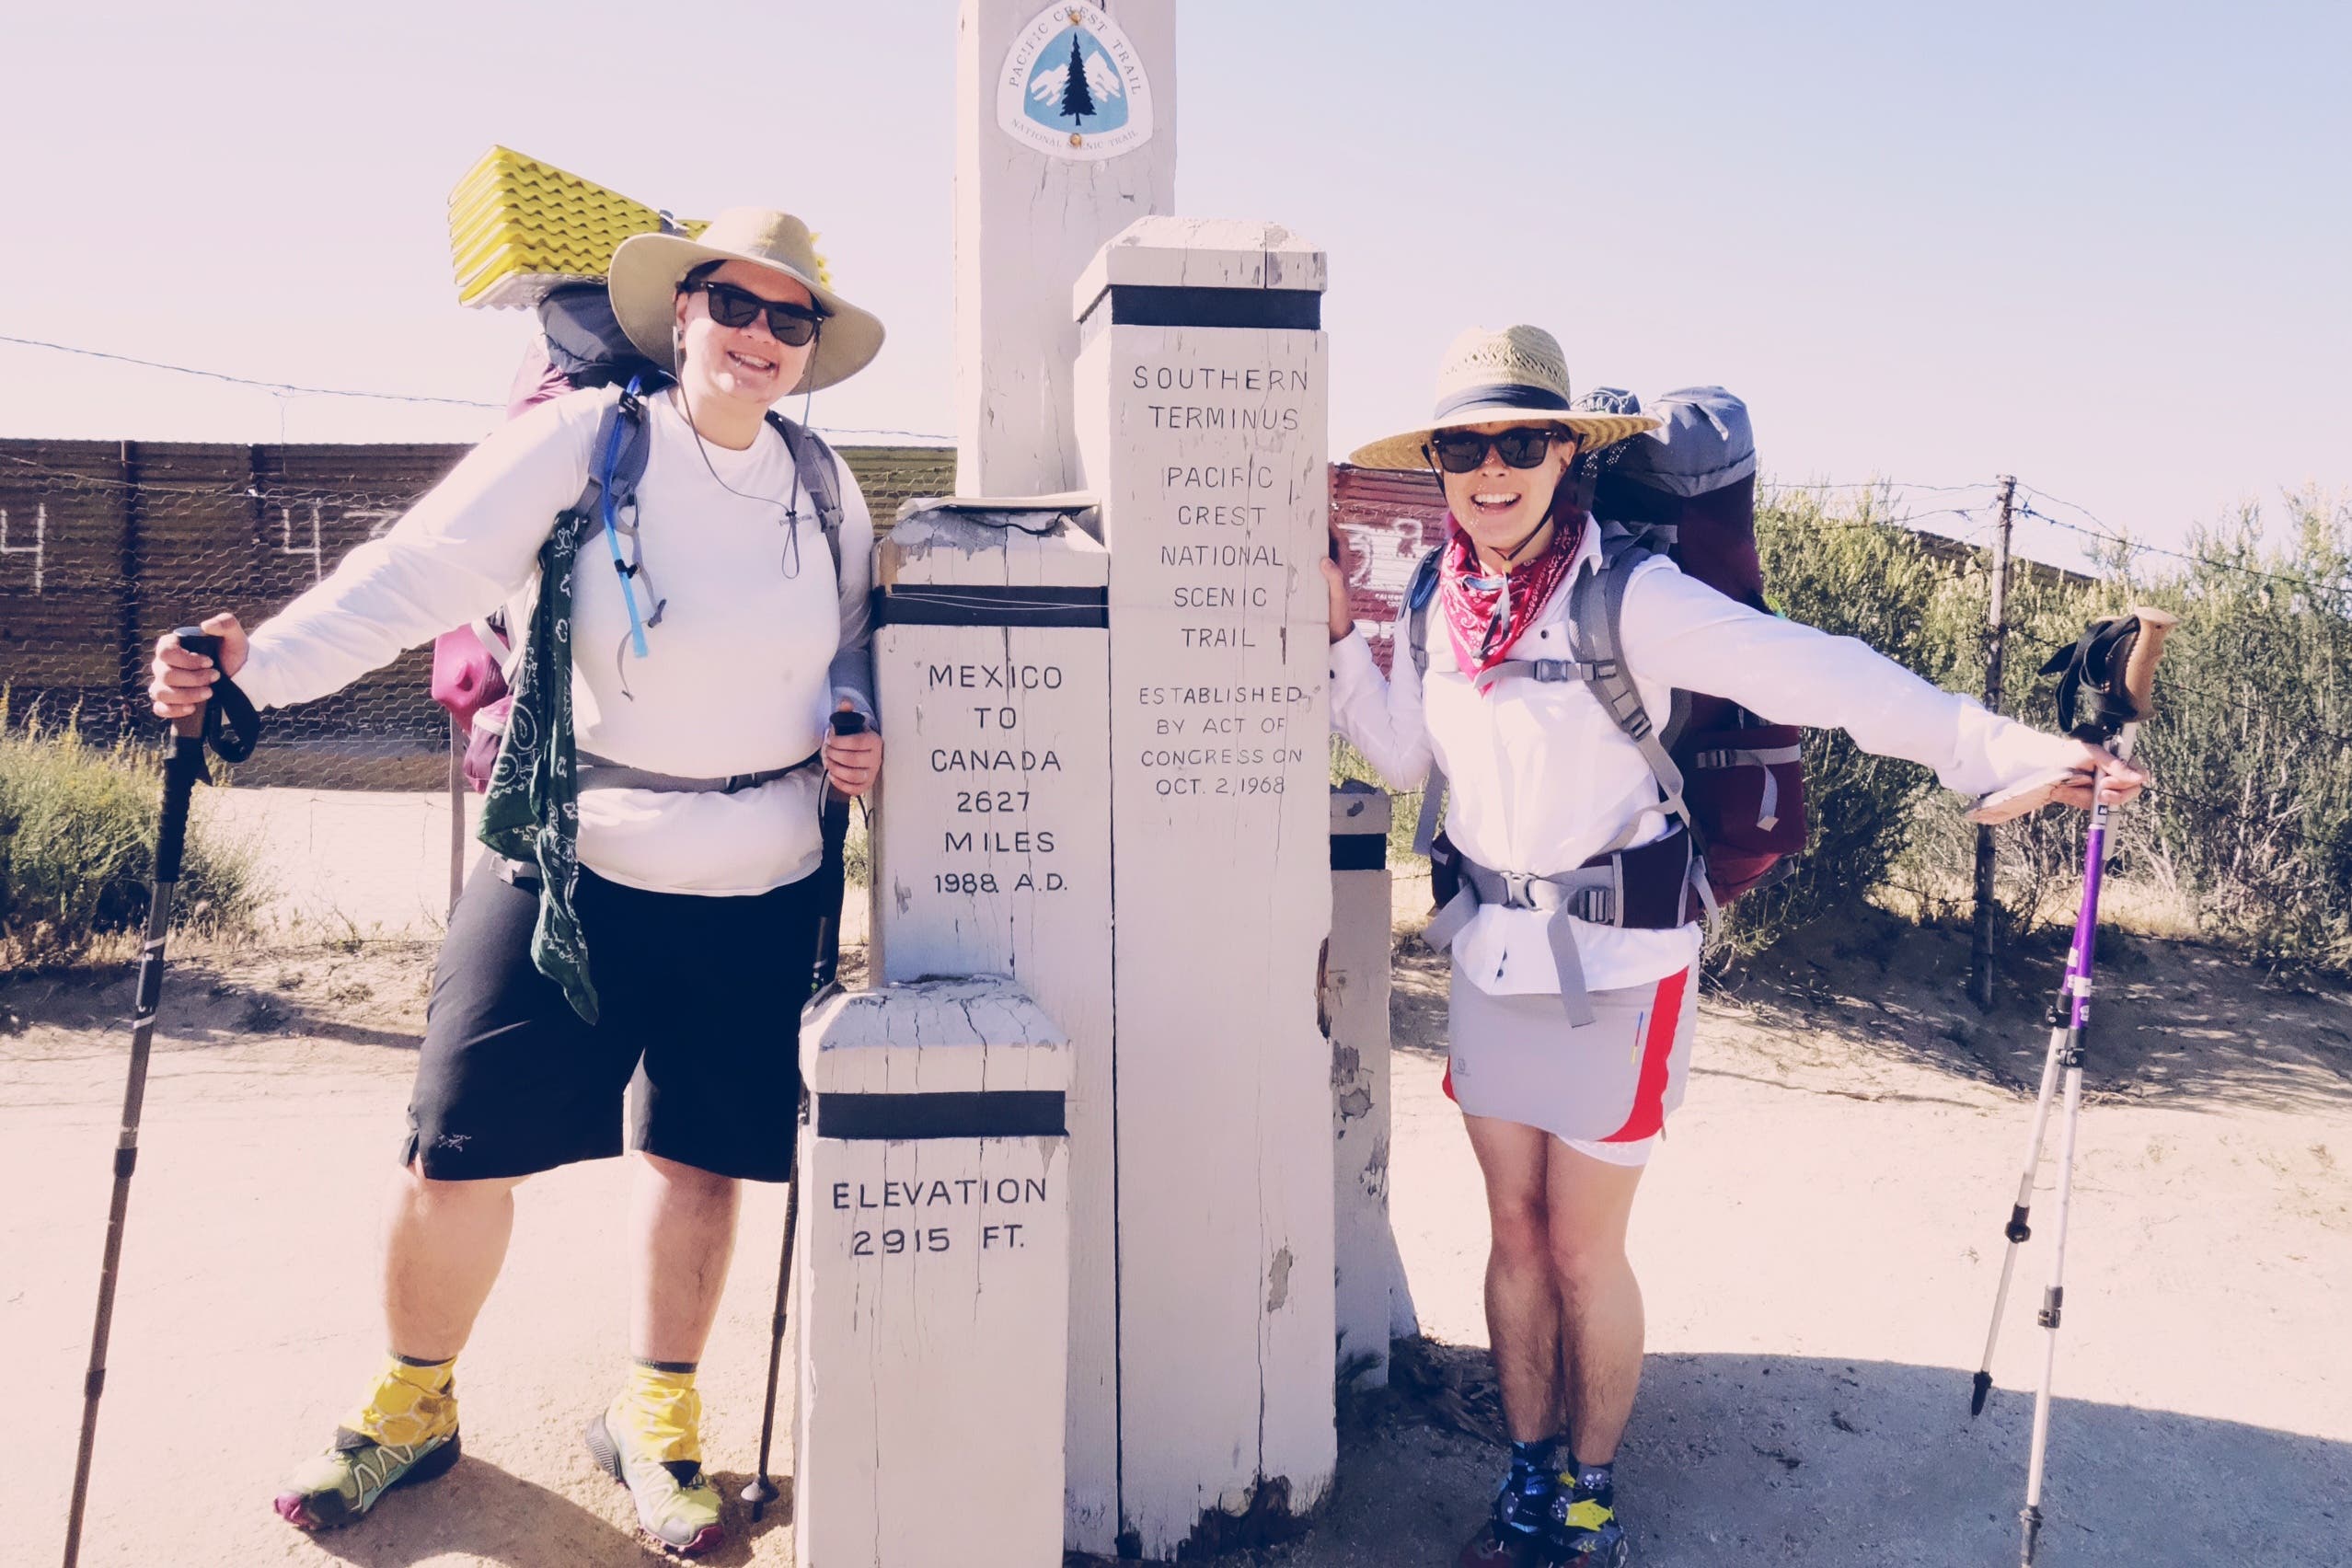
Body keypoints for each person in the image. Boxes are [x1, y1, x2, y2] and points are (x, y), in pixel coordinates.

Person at [1318, 326, 2146, 1568]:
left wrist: (2008, 754)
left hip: (1624, 971)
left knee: (1585, 1251)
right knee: (1512, 1236)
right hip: (1491, 954)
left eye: (1522, 440)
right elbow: (1399, 758)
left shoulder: (1630, 594)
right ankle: (1528, 1480)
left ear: (1566, 457)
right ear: (1437, 463)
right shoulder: (1442, 601)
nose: (1493, 469)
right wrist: (1342, 634)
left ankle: (1589, 1501)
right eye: (1465, 445)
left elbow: (1831, 677)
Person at [148, 208, 886, 1558]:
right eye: (738, 305)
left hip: (763, 878)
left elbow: (850, 643)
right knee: (455, 1150)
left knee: (701, 1155)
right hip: (564, 862)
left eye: (794, 321)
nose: (762, 338)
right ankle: (410, 1406)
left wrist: (853, 717)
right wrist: (250, 670)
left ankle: (656, 1416)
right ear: (682, 312)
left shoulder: (824, 484)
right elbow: (410, 575)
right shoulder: (590, 442)